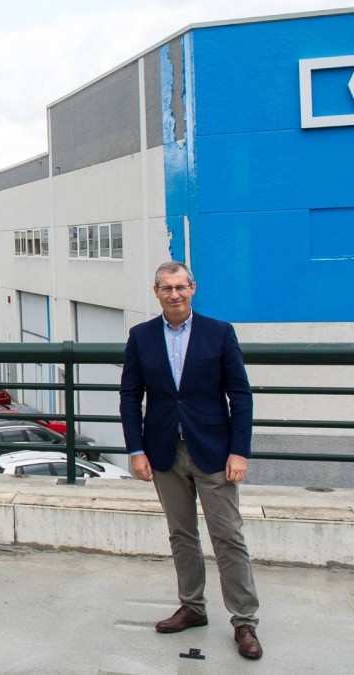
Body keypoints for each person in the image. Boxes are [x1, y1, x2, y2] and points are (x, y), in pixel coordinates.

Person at [120, 261, 262, 659]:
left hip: (214, 451)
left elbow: (241, 394)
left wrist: (239, 451)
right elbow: (131, 396)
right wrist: (136, 450)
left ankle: (244, 621)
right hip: (163, 452)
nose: (174, 294)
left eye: (181, 287)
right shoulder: (141, 336)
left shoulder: (219, 332)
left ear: (193, 288)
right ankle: (193, 607)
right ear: (156, 292)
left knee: (228, 537)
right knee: (181, 535)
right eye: (167, 288)